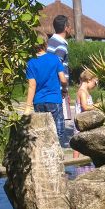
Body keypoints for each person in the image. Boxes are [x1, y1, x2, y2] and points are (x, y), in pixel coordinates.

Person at [24, 41, 68, 146]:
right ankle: (56, 150)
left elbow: (32, 86)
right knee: (58, 131)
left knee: (42, 131)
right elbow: (63, 80)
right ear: (46, 45)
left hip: (38, 101)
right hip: (54, 100)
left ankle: (44, 151)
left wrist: (28, 107)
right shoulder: (54, 59)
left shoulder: (30, 63)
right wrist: (64, 89)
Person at [47, 15, 72, 145]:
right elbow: (57, 68)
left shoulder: (49, 42)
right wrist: (64, 89)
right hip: (56, 89)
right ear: (66, 28)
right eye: (70, 26)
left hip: (46, 89)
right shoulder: (61, 45)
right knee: (58, 127)